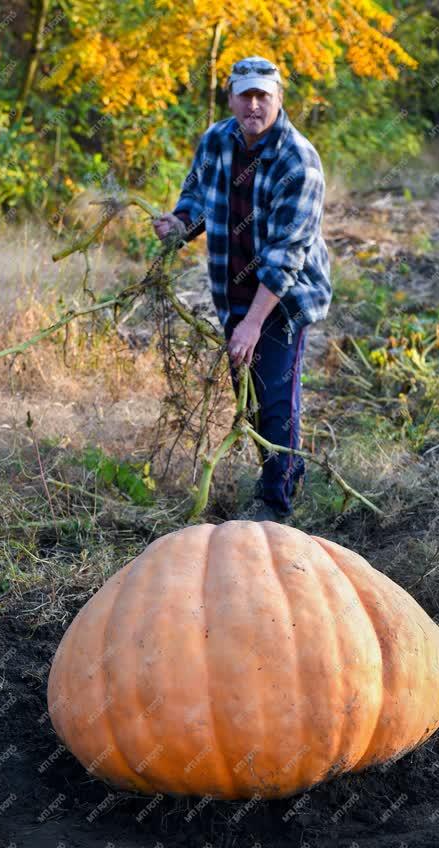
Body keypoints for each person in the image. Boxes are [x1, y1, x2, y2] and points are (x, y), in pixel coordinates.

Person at [152, 55, 332, 523]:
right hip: (232, 288)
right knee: (248, 397)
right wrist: (177, 224)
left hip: (283, 296)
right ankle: (283, 470)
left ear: (278, 98)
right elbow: (196, 198)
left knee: (274, 395)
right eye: (244, 94)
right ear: (230, 95)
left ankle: (276, 503)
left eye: (262, 96)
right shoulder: (216, 139)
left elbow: (285, 256)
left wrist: (253, 323)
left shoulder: (299, 162)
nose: (253, 105)